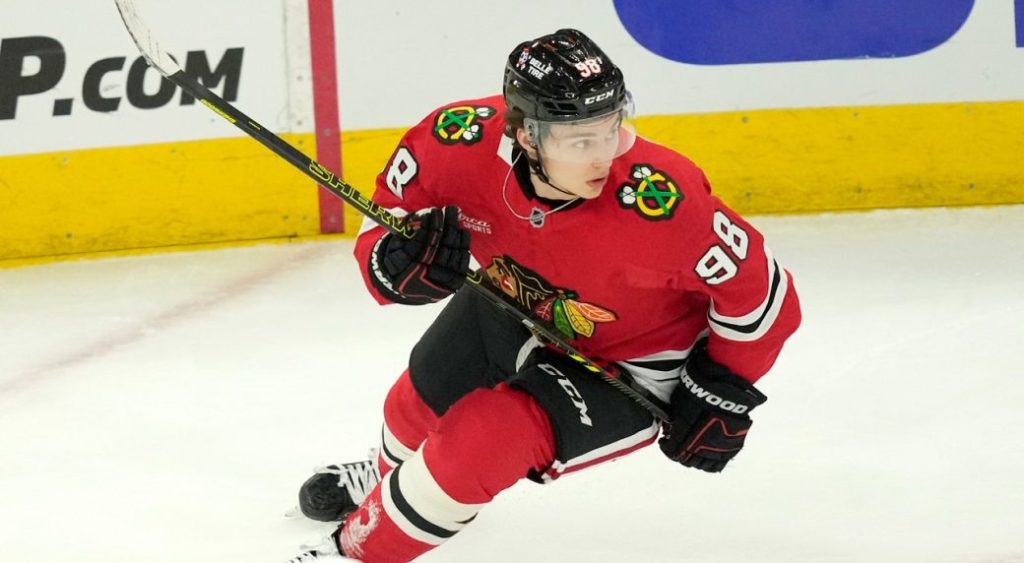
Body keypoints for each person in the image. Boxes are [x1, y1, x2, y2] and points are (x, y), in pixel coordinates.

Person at [287, 28, 801, 562]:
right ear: (525, 135)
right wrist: (391, 267)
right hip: (518, 301)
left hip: (634, 363)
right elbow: (385, 221)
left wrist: (719, 386)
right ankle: (385, 476)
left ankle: (355, 552)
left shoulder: (661, 201)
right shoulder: (453, 140)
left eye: (611, 131)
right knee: (421, 390)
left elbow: (767, 299)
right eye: (580, 141)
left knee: (482, 441)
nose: (603, 156)